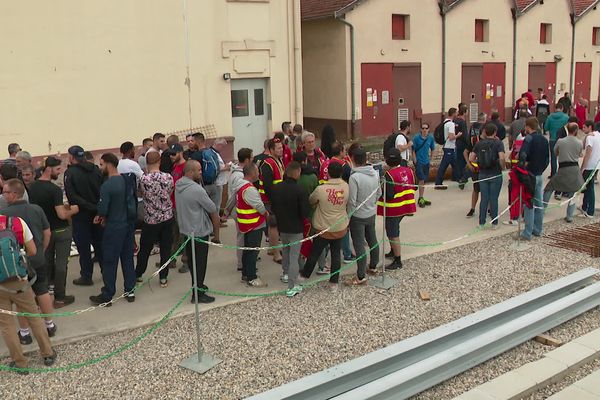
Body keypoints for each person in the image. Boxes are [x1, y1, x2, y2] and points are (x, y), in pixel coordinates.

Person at [1, 178, 56, 342]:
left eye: (5, 192)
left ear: (14, 194)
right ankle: (50, 325)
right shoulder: (36, 209)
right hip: (37, 256)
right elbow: (47, 233)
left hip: (17, 262)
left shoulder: (6, 215)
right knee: (43, 290)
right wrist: (42, 250)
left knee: (22, 298)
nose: (3, 196)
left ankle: (25, 333)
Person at [0, 214, 56, 373]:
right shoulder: (16, 222)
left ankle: (20, 363)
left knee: (6, 325)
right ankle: (47, 354)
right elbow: (32, 250)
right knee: (33, 316)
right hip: (19, 280)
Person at [28, 156, 79, 308]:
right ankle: (60, 297)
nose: (60, 172)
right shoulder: (54, 190)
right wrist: (74, 209)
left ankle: (43, 294)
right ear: (49, 169)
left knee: (46, 262)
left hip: (44, 230)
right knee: (61, 264)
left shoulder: (33, 187)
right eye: (58, 169)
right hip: (61, 230)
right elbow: (61, 215)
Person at [89, 153, 137, 305]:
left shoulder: (107, 185)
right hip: (128, 225)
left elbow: (103, 209)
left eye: (102, 164)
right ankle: (130, 290)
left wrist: (99, 216)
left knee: (110, 260)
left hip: (114, 226)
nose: (101, 167)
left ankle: (108, 293)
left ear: (108, 164)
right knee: (127, 259)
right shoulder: (125, 180)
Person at [175, 160, 221, 303]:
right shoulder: (197, 190)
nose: (201, 172)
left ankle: (198, 285)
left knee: (193, 263)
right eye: (199, 170)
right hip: (199, 232)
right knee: (200, 264)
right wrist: (217, 234)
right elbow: (212, 209)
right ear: (190, 172)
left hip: (186, 230)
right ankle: (198, 294)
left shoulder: (178, 185)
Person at [299, 162, 349, 291]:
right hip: (339, 226)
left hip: (323, 228)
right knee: (336, 254)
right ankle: (334, 283)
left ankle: (305, 275)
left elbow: (311, 200)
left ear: (328, 173)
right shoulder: (346, 187)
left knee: (314, 253)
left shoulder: (321, 189)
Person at [64, 145, 104, 286]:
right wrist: (97, 208)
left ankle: (86, 276)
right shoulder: (96, 170)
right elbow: (102, 190)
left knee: (84, 247)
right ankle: (106, 274)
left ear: (71, 157)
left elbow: (72, 196)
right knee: (100, 244)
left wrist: (87, 206)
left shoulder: (70, 173)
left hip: (81, 215)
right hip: (97, 213)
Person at [135, 151, 174, 287]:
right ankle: (163, 277)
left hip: (151, 219)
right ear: (160, 161)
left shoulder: (143, 179)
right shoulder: (168, 177)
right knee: (165, 248)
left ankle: (139, 274)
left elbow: (141, 193)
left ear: (146, 162)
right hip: (167, 217)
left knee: (145, 248)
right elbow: (170, 192)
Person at [271, 162, 310, 296]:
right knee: (294, 256)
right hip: (296, 227)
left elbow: (273, 208)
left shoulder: (276, 188)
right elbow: (304, 212)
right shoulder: (300, 190)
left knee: (286, 251)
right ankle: (291, 286)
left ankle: (286, 273)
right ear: (296, 173)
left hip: (282, 226)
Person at [346, 148, 381, 285]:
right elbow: (378, 193)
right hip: (371, 212)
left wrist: (348, 217)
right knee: (372, 239)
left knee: (359, 244)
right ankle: (373, 266)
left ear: (353, 159)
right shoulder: (374, 173)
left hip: (358, 216)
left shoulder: (354, 177)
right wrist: (372, 205)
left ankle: (361, 275)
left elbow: (352, 201)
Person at [379, 148, 417, 270]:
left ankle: (397, 260)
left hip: (394, 209)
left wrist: (381, 188)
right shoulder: (409, 171)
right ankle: (393, 251)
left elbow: (389, 196)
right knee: (393, 230)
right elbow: (414, 187)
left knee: (393, 233)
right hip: (406, 206)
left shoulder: (389, 175)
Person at [542, 123, 583, 222]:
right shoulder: (579, 142)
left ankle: (542, 209)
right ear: (576, 130)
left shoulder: (561, 141)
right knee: (573, 192)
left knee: (549, 188)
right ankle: (569, 216)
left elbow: (555, 152)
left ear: (567, 130)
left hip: (563, 168)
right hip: (575, 168)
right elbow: (580, 154)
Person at [236, 163, 268, 287]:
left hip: (246, 224)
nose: (258, 174)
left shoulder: (241, 186)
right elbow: (259, 206)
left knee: (247, 250)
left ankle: (245, 274)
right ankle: (251, 277)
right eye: (256, 171)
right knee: (253, 252)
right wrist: (266, 213)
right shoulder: (249, 189)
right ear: (252, 173)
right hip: (254, 224)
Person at [518, 117, 549, 240]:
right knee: (539, 203)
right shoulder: (544, 139)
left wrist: (523, 167)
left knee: (528, 203)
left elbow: (522, 156)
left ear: (527, 126)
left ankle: (527, 232)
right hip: (539, 174)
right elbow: (547, 159)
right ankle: (538, 229)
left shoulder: (529, 139)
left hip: (530, 174)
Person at [470, 123, 505, 229]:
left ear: (485, 132)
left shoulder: (479, 143)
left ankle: (481, 223)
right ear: (495, 132)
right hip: (495, 173)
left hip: (483, 173)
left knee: (484, 198)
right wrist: (502, 167)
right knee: (493, 199)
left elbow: (471, 158)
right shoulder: (498, 143)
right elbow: (502, 157)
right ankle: (494, 223)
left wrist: (478, 162)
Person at [224, 148, 254, 272]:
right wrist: (227, 211)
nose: (253, 160)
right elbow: (235, 196)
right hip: (239, 211)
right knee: (242, 236)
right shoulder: (240, 175)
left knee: (246, 236)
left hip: (240, 210)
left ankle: (247, 258)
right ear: (246, 160)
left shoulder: (237, 172)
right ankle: (241, 263)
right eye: (251, 158)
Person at [258, 138, 285, 264]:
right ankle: (276, 254)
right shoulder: (268, 163)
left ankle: (271, 249)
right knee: (273, 225)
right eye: (278, 148)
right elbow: (268, 186)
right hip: (270, 200)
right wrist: (276, 200)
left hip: (275, 198)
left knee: (273, 226)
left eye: (281, 147)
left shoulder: (277, 161)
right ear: (271, 149)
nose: (281, 150)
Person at [168, 143, 189, 273]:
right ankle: (172, 259)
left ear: (180, 152)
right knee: (174, 234)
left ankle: (186, 261)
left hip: (182, 206)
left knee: (183, 235)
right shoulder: (175, 166)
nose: (171, 156)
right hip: (173, 205)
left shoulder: (186, 167)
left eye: (174, 154)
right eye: (170, 153)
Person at [190, 132, 221, 207]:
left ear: (198, 141)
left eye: (193, 141)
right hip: (214, 185)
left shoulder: (196, 155)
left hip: (203, 187)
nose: (191, 143)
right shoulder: (211, 152)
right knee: (214, 209)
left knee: (204, 210)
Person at [465, 113, 487, 218]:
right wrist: (468, 164)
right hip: (476, 169)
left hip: (487, 169)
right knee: (476, 189)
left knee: (487, 190)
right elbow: (465, 152)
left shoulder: (492, 141)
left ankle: (488, 209)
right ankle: (472, 208)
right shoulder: (474, 140)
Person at [435, 107, 461, 189]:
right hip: (449, 147)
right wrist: (458, 135)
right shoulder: (451, 124)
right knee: (444, 166)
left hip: (449, 147)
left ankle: (459, 179)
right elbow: (451, 137)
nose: (457, 114)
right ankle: (438, 183)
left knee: (455, 165)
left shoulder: (445, 122)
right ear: (453, 114)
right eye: (456, 113)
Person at [412, 122, 436, 207]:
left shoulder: (430, 138)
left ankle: (421, 197)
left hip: (426, 162)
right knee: (421, 179)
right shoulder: (416, 138)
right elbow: (413, 149)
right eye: (423, 128)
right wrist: (415, 159)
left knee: (424, 180)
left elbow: (433, 148)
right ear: (420, 129)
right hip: (419, 162)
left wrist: (431, 159)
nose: (424, 130)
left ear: (429, 129)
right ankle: (421, 197)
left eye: (426, 128)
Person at [580, 120, 600, 218]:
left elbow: (587, 153)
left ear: (590, 127)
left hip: (589, 165)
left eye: (584, 127)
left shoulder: (591, 137)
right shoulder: (596, 135)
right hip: (596, 165)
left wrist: (582, 167)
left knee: (589, 188)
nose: (582, 129)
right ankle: (584, 207)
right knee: (588, 187)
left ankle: (590, 211)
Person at [545, 102, 570, 178]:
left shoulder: (550, 117)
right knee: (563, 157)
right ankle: (562, 174)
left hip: (553, 139)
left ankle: (553, 174)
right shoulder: (566, 117)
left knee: (553, 157)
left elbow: (546, 128)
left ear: (555, 108)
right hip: (564, 139)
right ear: (562, 108)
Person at [212, 138, 231, 218]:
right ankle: (217, 221)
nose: (223, 149)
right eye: (223, 147)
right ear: (219, 145)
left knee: (218, 204)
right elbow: (215, 168)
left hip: (219, 182)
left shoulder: (215, 153)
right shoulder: (213, 154)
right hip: (217, 182)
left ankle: (218, 219)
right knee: (216, 204)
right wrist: (226, 168)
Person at [454, 105, 469, 187]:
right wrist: (468, 144)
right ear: (464, 112)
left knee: (459, 161)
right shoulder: (462, 122)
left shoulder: (456, 120)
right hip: (462, 144)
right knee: (463, 162)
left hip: (457, 143)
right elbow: (464, 134)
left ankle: (458, 177)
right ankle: (462, 178)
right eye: (467, 111)